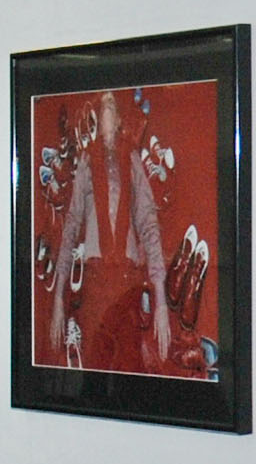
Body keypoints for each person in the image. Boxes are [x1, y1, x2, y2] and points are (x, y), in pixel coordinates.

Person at [47, 88, 170, 372]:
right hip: (95, 278)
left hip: (126, 281)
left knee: (129, 367)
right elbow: (71, 225)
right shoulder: (87, 161)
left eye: (111, 108)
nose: (106, 112)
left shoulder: (132, 158)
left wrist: (162, 302)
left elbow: (149, 225)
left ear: (118, 121)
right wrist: (57, 300)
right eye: (102, 109)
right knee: (96, 368)